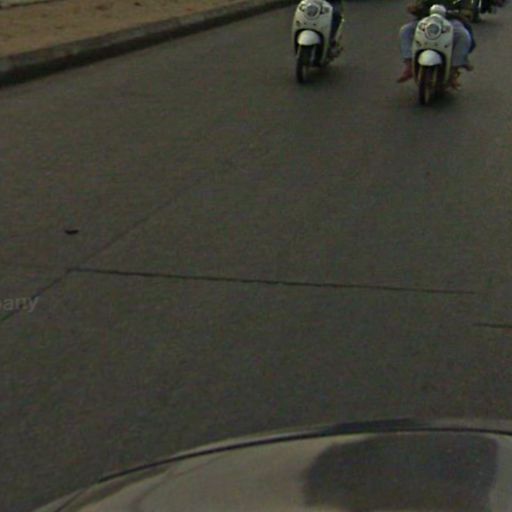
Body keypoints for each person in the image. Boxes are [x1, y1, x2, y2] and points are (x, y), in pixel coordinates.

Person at [397, 0, 475, 87]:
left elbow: (467, 6)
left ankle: (453, 70)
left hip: (451, 20)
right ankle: (409, 65)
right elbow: (419, 4)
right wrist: (415, 8)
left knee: (463, 35)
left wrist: (467, 11)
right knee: (406, 30)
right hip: (428, 19)